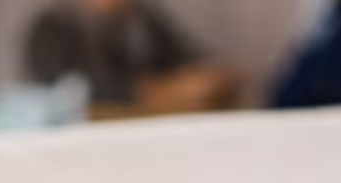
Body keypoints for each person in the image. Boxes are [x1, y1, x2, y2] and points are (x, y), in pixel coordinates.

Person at [20, 0, 236, 113]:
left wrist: (208, 79)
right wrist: (171, 90)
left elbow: (195, 60)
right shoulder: (53, 28)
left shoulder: (144, 21)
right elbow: (92, 94)